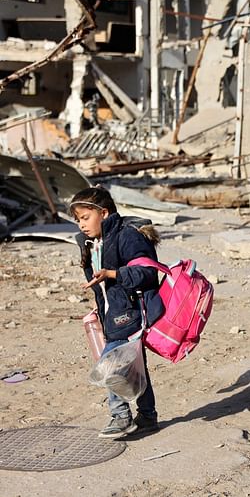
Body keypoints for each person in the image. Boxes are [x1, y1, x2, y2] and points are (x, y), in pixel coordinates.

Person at [70, 187, 165, 439]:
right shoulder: (93, 243)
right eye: (77, 219)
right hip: (112, 314)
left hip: (131, 313)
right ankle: (147, 416)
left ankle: (120, 416)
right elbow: (102, 286)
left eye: (85, 217)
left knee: (111, 364)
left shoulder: (126, 237)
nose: (81, 225)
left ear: (104, 212)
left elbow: (147, 273)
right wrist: (100, 308)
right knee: (135, 367)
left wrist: (113, 274)